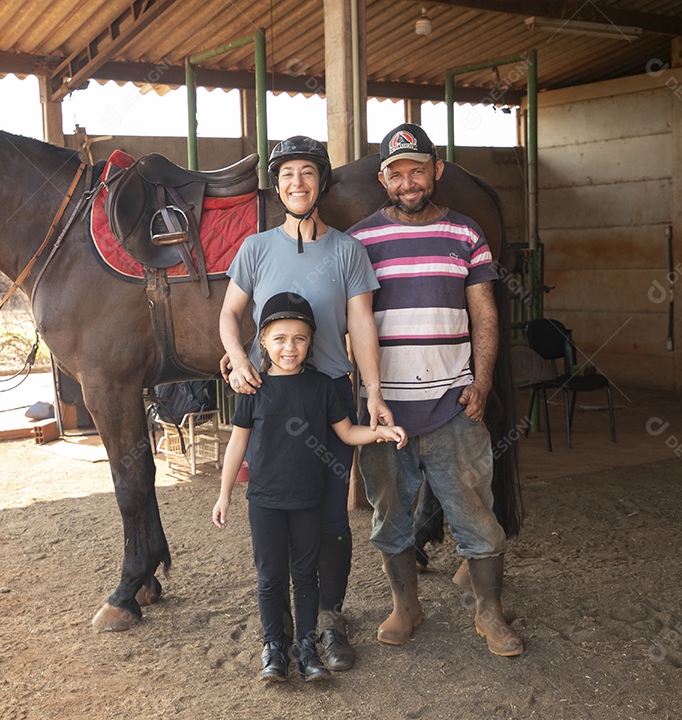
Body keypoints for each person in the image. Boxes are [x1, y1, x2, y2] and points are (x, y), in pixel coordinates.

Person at [348, 123, 524, 657]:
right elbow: (349, 321)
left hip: (453, 405)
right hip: (386, 414)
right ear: (383, 180)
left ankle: (489, 613)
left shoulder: (466, 233)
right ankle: (406, 606)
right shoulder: (360, 241)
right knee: (390, 516)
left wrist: (483, 380)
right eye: (397, 173)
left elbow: (484, 314)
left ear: (437, 170)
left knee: (477, 514)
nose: (408, 182)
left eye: (417, 171)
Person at [219, 136, 394, 671]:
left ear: (321, 183)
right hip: (272, 394)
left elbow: (361, 324)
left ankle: (329, 621)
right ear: (277, 186)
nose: (298, 182)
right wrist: (238, 359)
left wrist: (374, 392)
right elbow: (229, 314)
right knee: (276, 510)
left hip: (329, 394)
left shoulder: (348, 250)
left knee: (332, 518)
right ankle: (281, 635)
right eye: (288, 174)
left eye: (308, 173)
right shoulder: (255, 248)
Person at [213, 292, 406, 682]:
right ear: (263, 342)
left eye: (299, 339)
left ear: (310, 343)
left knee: (305, 576)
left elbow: (347, 433)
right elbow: (237, 444)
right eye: (280, 338)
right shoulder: (253, 389)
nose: (290, 347)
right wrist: (224, 494)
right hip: (265, 501)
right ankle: (274, 648)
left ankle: (306, 648)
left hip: (307, 500)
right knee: (270, 577)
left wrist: (379, 433)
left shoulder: (322, 387)